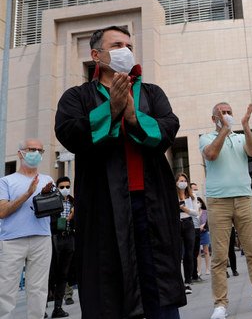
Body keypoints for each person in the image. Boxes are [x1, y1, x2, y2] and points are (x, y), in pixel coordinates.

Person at [55, 26, 185, 318]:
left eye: (128, 45)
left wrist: (132, 116)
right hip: (104, 208)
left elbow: (168, 128)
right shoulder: (77, 97)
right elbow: (69, 132)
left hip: (151, 204)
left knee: (157, 281)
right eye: (116, 44)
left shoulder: (150, 93)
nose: (125, 50)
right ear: (96, 55)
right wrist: (110, 110)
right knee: (109, 282)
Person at [199, 102, 252, 318]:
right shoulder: (206, 138)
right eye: (222, 113)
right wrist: (224, 130)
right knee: (219, 256)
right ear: (214, 118)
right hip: (218, 201)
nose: (226, 115)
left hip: (243, 198)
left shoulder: (241, 137)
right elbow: (211, 155)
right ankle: (220, 304)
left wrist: (244, 126)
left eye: (229, 112)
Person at [0, 139, 54, 319]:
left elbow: (54, 210)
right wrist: (28, 194)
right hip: (12, 241)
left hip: (42, 238)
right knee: (6, 290)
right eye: (32, 149)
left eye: (40, 150)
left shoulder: (47, 179)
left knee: (38, 290)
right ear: (20, 153)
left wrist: (47, 196)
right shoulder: (6, 181)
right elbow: (2, 211)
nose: (36, 153)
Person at [48, 176, 76, 318]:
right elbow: (53, 222)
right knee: (51, 274)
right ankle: (41, 307)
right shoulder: (53, 201)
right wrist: (67, 219)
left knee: (64, 275)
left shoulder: (73, 202)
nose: (65, 189)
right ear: (57, 188)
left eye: (67, 186)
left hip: (69, 238)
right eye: (62, 187)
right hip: (55, 239)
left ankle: (58, 308)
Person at [176, 173, 197, 295]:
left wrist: (185, 209)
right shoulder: (172, 195)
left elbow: (196, 213)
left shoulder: (192, 196)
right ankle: (178, 282)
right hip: (177, 224)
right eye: (180, 180)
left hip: (188, 223)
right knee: (178, 254)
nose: (182, 182)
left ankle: (188, 282)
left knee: (189, 253)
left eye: (184, 180)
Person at [190, 182, 205, 282]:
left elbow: (203, 213)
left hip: (198, 227)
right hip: (191, 227)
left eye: (196, 189)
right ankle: (192, 275)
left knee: (196, 252)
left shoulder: (198, 201)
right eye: (193, 189)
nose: (195, 191)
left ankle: (195, 274)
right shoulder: (189, 200)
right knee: (191, 252)